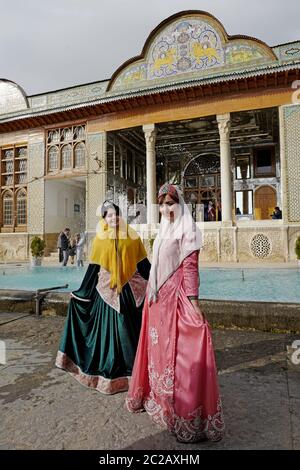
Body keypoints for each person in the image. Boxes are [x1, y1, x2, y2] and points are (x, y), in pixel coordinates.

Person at [126, 184, 225, 443]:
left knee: (180, 354)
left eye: (171, 203)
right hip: (157, 300)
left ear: (180, 203)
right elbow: (156, 264)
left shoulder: (188, 229)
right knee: (158, 353)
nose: (166, 208)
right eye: (162, 204)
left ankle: (185, 413)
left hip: (176, 297)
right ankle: (160, 403)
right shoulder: (164, 228)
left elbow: (191, 268)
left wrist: (193, 302)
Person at [55, 201, 151, 395]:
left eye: (116, 214)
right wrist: (81, 293)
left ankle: (136, 373)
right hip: (106, 294)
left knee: (128, 331)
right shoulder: (100, 240)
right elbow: (93, 270)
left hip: (129, 293)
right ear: (104, 219)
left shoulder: (132, 237)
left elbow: (143, 265)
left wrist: (158, 282)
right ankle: (111, 375)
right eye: (109, 215)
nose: (113, 218)